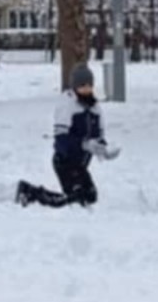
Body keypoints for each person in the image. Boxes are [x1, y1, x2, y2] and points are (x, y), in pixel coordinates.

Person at [16, 64, 119, 208]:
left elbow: (98, 136)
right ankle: (31, 194)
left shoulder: (96, 108)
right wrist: (83, 144)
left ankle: (32, 193)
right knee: (77, 198)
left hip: (81, 164)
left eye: (89, 85)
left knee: (90, 195)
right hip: (65, 161)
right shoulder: (68, 104)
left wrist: (104, 150)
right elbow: (61, 140)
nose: (86, 88)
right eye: (82, 85)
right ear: (75, 86)